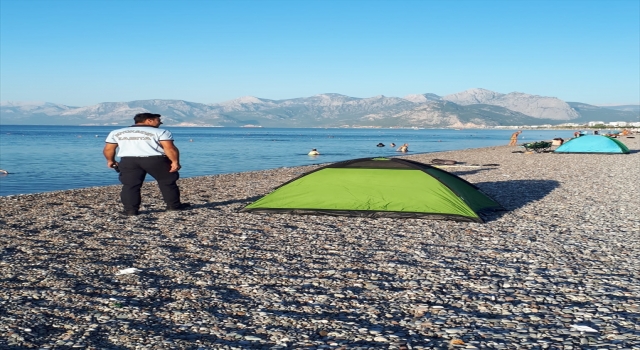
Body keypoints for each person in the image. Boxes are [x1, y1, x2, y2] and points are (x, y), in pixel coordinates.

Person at [103, 113, 189, 216]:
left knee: (130, 185)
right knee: (167, 182)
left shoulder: (116, 132)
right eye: (158, 120)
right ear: (149, 120)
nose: (160, 122)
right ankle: (173, 206)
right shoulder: (161, 132)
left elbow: (109, 149)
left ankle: (130, 210)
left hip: (128, 161)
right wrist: (175, 162)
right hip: (155, 160)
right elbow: (169, 148)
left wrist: (110, 160)